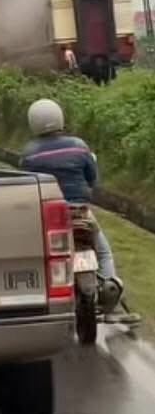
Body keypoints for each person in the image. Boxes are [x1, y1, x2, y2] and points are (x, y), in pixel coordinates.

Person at [20, 98, 139, 326]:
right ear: (59, 118)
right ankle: (112, 302)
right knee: (103, 253)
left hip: (49, 218)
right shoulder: (78, 145)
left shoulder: (29, 154)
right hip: (81, 213)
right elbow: (92, 177)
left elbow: (28, 186)